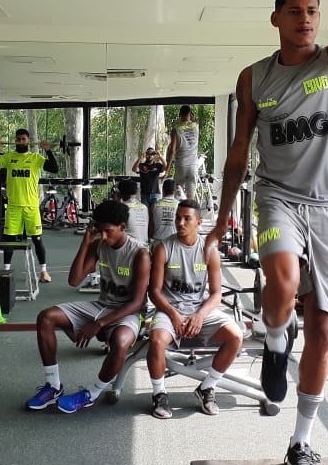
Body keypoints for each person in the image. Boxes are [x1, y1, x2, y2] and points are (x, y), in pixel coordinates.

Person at [205, 0, 328, 465]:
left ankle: (301, 440)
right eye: (295, 11)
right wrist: (223, 216)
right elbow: (238, 152)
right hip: (276, 197)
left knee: (322, 328)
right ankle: (276, 340)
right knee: (281, 279)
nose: (306, 19)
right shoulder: (255, 77)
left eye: (313, 11)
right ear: (275, 19)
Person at [24, 200, 150, 413]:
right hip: (101, 305)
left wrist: (98, 324)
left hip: (128, 312)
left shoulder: (139, 254)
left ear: (122, 227)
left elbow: (137, 302)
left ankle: (92, 393)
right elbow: (74, 280)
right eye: (100, 231)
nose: (104, 237)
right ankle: (53, 386)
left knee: (120, 342)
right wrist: (86, 242)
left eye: (109, 231)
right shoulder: (99, 245)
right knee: (46, 317)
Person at [147, 200, 242, 419]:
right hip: (169, 310)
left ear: (198, 222)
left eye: (186, 218)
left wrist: (200, 316)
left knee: (236, 336)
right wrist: (174, 315)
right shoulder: (163, 248)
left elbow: (216, 294)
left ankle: (206, 388)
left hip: (199, 311)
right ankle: (159, 394)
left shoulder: (210, 251)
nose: (180, 223)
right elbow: (154, 292)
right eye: (178, 218)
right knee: (156, 341)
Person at [0, 129, 59, 283]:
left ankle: (43, 272)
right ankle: (6, 272)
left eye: (23, 139)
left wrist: (48, 151)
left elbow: (54, 168)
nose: (20, 141)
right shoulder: (8, 157)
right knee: (9, 240)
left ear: (28, 141)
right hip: (14, 207)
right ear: (15, 141)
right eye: (18, 139)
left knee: (37, 239)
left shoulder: (35, 158)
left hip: (31, 207)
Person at [165, 105, 200, 201]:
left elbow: (172, 150)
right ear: (190, 114)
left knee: (177, 195)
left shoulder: (176, 130)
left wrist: (167, 170)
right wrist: (191, 116)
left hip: (181, 165)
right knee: (191, 198)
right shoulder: (196, 126)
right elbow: (195, 119)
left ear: (179, 115)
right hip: (193, 165)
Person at [131, 146, 166, 212]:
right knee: (145, 213)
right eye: (148, 154)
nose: (150, 156)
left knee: (155, 213)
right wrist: (140, 157)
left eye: (152, 154)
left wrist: (160, 156)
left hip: (155, 194)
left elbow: (165, 167)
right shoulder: (141, 165)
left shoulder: (157, 165)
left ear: (154, 156)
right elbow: (134, 169)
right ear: (146, 155)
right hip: (144, 194)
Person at [116, 178, 149, 245]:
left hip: (129, 247)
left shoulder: (121, 208)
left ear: (120, 193)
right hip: (144, 245)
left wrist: (116, 200)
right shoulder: (144, 207)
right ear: (136, 192)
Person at [150, 179, 179, 245]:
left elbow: (151, 229)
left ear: (162, 190)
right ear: (175, 191)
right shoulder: (179, 205)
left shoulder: (154, 206)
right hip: (174, 243)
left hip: (158, 243)